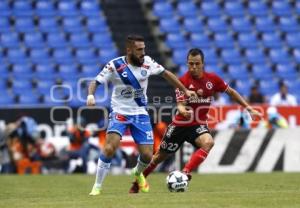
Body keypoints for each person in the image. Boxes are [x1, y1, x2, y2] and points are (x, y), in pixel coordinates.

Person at [129, 48, 262, 193]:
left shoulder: (212, 79)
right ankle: (136, 184)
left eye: (197, 64)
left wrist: (248, 108)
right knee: (158, 158)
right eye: (191, 64)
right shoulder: (183, 81)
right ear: (187, 64)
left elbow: (231, 92)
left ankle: (185, 173)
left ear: (203, 64)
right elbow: (179, 104)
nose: (193, 67)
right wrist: (182, 110)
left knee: (208, 142)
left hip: (197, 124)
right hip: (180, 125)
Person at [87, 34, 196, 195]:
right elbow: (95, 82)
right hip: (120, 111)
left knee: (147, 155)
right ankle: (97, 186)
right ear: (129, 50)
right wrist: (91, 95)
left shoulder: (148, 63)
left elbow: (167, 74)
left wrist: (185, 90)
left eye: (143, 49)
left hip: (139, 113)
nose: (142, 52)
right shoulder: (115, 65)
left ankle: (137, 173)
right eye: (139, 50)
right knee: (110, 148)